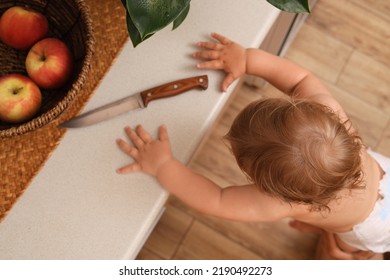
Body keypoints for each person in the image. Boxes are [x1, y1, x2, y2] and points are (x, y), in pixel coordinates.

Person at [115, 33, 390, 260]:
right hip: (383, 179)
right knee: (334, 217)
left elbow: (217, 200)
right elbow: (300, 80)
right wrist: (246, 59)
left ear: (271, 190)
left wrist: (164, 166)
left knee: (333, 255)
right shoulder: (329, 113)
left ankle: (348, 246)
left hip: (370, 233)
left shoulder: (281, 204)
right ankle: (329, 223)